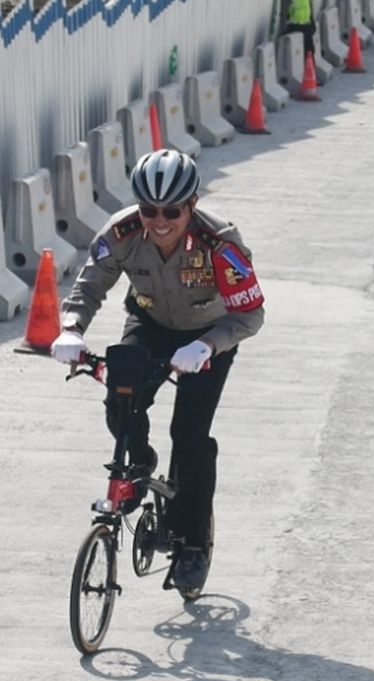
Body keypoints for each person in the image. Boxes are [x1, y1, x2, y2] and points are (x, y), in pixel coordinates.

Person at [51, 149, 265, 595]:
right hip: (149, 323)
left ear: (192, 204)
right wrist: (71, 329)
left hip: (208, 335)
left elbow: (250, 315)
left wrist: (207, 345)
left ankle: (193, 546)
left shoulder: (220, 242)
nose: (160, 221)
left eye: (172, 211)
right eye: (150, 210)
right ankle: (141, 460)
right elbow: (91, 284)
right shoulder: (124, 231)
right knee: (120, 399)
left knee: (189, 437)